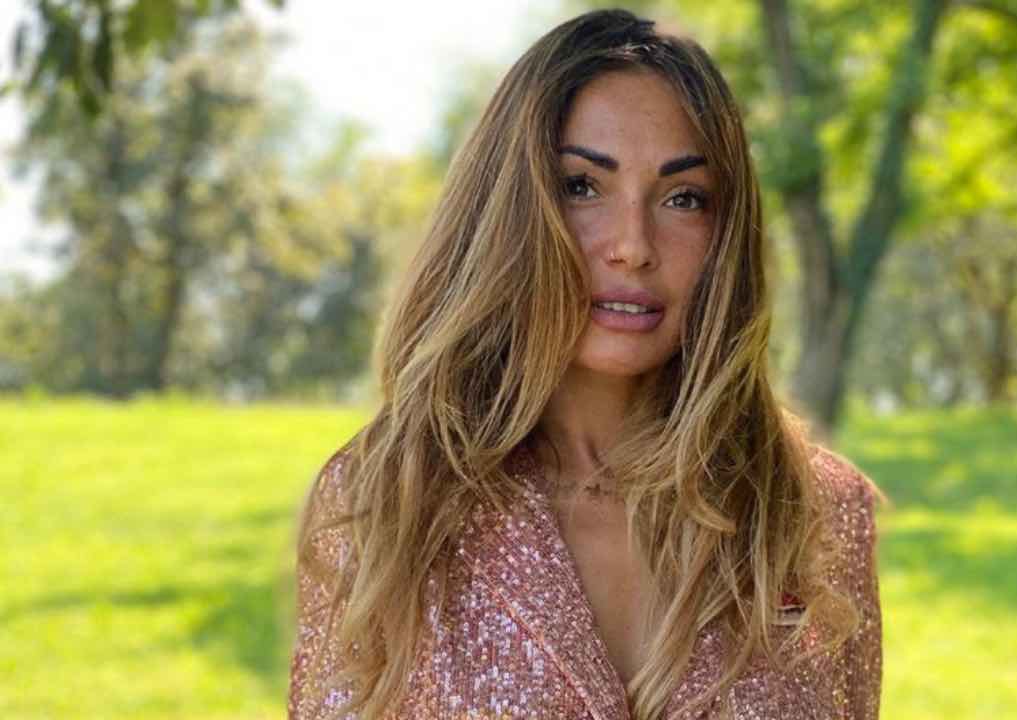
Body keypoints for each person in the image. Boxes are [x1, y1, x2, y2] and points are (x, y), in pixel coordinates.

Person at [288, 9, 881, 720]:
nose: (633, 246)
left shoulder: (814, 514)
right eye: (582, 186)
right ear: (510, 211)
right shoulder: (390, 499)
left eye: (684, 198)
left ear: (725, 234)